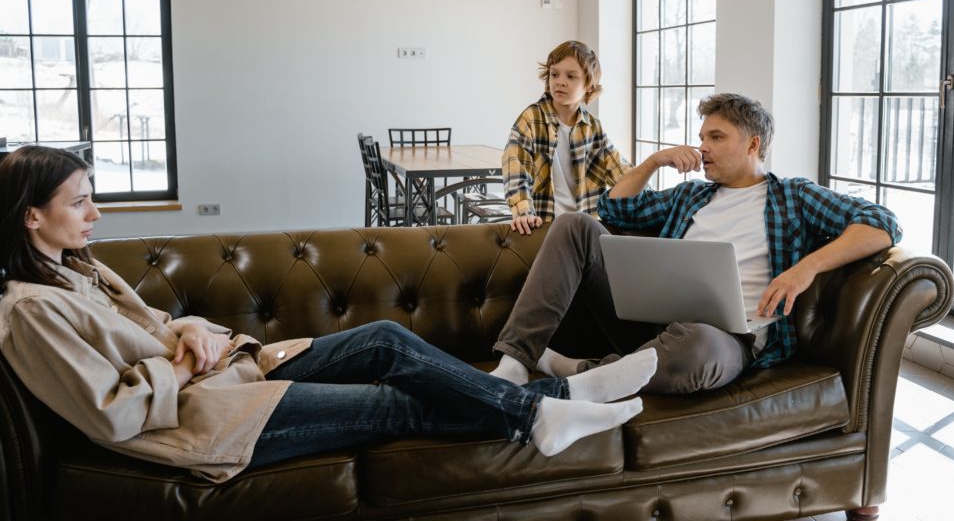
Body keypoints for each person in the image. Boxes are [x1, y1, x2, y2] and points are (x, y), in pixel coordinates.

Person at [0, 146, 659, 483]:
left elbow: (154, 322)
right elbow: (110, 413)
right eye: (80, 202)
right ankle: (543, 408)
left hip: (233, 375)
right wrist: (176, 365)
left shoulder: (76, 267)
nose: (95, 214)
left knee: (385, 340)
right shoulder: (27, 311)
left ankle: (549, 397)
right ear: (32, 215)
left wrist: (191, 329)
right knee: (389, 402)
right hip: (205, 421)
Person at [490, 93, 902, 394]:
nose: (702, 147)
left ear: (752, 143)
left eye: (716, 137)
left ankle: (577, 370)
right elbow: (615, 211)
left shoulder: (792, 196)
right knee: (575, 224)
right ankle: (515, 362)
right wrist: (653, 163)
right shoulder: (692, 195)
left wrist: (806, 268)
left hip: (725, 340)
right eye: (702, 136)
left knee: (698, 350)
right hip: (651, 325)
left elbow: (881, 223)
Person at [503, 40, 632, 235]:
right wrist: (523, 211)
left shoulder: (593, 128)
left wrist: (650, 189)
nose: (559, 81)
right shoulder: (531, 118)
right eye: (554, 74)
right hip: (544, 225)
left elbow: (620, 172)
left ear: (589, 86)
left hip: (585, 229)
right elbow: (515, 167)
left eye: (571, 76)